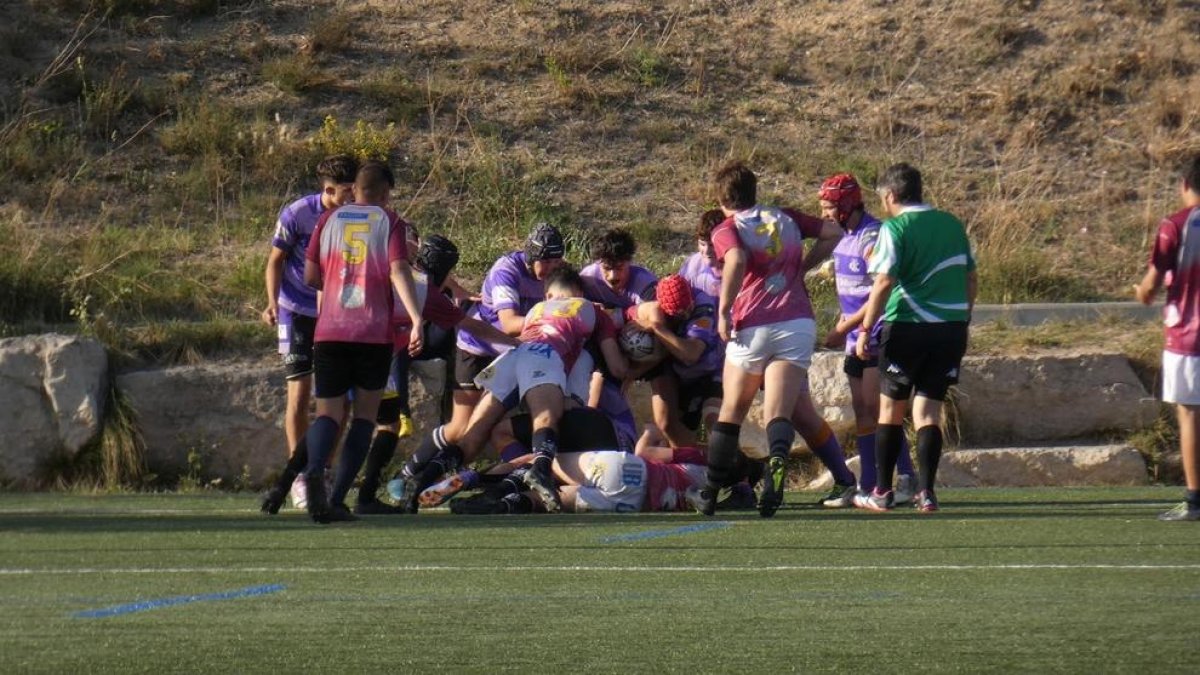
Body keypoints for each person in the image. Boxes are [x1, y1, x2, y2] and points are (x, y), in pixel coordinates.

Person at [402, 267, 628, 514]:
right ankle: (539, 471)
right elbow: (616, 368)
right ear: (579, 292)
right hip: (545, 355)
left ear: (548, 294)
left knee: (473, 435)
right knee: (546, 419)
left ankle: (422, 480)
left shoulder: (535, 310)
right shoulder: (592, 309)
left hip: (513, 355)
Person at [695, 161, 844, 518]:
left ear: (721, 197)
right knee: (780, 411)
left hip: (753, 325)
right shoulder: (786, 217)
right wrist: (804, 266)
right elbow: (833, 232)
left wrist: (724, 309)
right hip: (796, 323)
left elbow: (735, 259)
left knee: (732, 411)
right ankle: (777, 464)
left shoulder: (728, 228)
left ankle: (712, 492)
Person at [298, 160, 428, 523]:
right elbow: (398, 269)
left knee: (328, 414)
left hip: (329, 331)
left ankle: (313, 470)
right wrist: (416, 319)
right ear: (386, 193)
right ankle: (337, 498)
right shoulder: (390, 222)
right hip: (371, 333)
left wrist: (339, 285)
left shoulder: (326, 220)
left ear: (355, 188)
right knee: (364, 418)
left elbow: (311, 276)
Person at [407, 224, 567, 494]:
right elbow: (509, 323)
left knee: (502, 427)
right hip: (479, 349)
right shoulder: (507, 270)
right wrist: (558, 316)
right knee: (462, 429)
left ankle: (513, 478)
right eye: (546, 261)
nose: (551, 267)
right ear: (530, 255)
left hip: (515, 354)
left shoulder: (556, 273)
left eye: (556, 260)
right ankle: (409, 474)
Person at [855, 163, 976, 513]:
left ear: (891, 196)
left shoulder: (896, 227)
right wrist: (961, 318)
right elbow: (970, 278)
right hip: (951, 328)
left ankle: (881, 491)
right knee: (929, 410)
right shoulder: (952, 224)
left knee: (891, 410)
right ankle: (926, 493)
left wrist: (866, 330)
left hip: (908, 326)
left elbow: (883, 281)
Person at [260, 154, 358, 509]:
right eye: (346, 191)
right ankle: (299, 474)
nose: (352, 196)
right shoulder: (298, 212)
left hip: (335, 311)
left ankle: (323, 469)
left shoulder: (357, 216)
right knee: (299, 394)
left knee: (340, 399)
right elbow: (275, 260)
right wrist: (272, 303)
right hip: (296, 311)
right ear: (329, 189)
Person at [818, 173, 918, 507]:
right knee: (862, 410)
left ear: (846, 205)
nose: (825, 214)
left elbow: (880, 289)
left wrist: (847, 328)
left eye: (829, 207)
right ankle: (869, 483)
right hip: (853, 338)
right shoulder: (842, 238)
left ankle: (905, 476)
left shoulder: (872, 235)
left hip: (874, 334)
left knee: (879, 410)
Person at [1134, 154, 1200, 521]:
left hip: (1189, 338)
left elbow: (1150, 287)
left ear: (1185, 184)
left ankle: (1194, 501)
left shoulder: (1175, 225)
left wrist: (1140, 292)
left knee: (1190, 416)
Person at [581, 227, 659, 320]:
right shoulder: (587, 279)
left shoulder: (646, 286)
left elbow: (657, 319)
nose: (612, 276)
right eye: (606, 268)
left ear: (629, 261)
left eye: (619, 268)